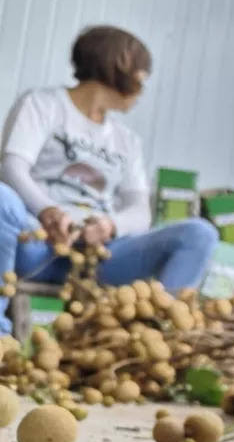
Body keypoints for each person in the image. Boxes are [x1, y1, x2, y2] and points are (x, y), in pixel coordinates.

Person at [0, 25, 219, 334]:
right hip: (38, 244)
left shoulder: (126, 140)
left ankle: (163, 339)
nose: (144, 86)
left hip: (100, 257)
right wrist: (49, 211)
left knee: (199, 234)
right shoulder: (42, 105)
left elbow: (140, 211)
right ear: (117, 66)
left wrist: (109, 225)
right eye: (142, 73)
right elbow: (12, 167)